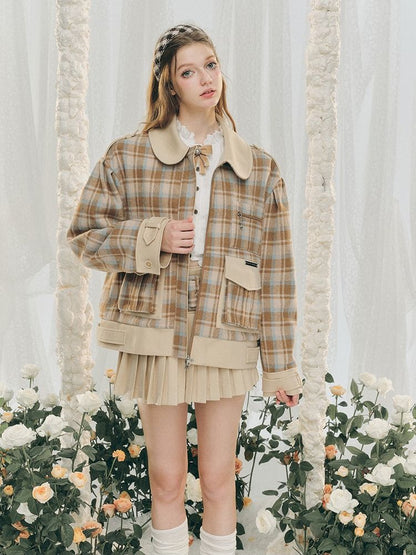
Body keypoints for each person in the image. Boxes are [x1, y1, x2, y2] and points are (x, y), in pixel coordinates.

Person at [68, 23, 302, 555]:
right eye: (189, 71)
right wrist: (151, 238)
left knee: (219, 481)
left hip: (227, 329)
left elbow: (278, 274)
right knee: (166, 479)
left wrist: (282, 366)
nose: (206, 79)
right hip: (157, 329)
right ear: (170, 84)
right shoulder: (128, 156)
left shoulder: (260, 169)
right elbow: (84, 236)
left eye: (211, 65)